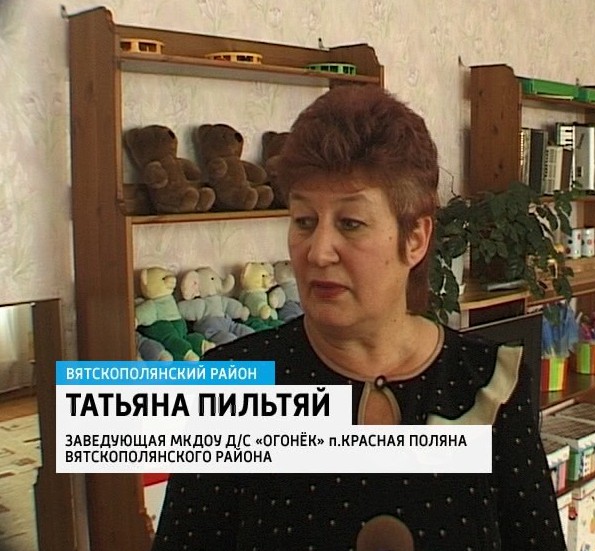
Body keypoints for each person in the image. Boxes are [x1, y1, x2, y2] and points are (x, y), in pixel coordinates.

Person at [151, 84, 567, 551]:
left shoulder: (492, 384)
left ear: (415, 239)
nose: (318, 252)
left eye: (350, 223)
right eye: (304, 221)